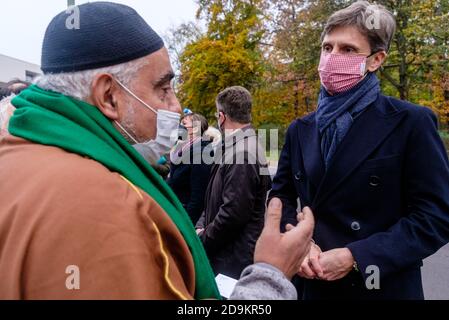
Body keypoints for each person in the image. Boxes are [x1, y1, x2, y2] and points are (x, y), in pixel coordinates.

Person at [0, 2, 314, 300]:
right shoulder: (110, 205)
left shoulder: (17, 152)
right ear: (109, 96)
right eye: (163, 88)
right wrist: (270, 274)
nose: (176, 107)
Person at [270, 0, 449, 300]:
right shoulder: (300, 129)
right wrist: (298, 242)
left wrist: (356, 256)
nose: (332, 57)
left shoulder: (411, 122)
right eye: (327, 48)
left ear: (376, 60)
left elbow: (436, 216)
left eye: (348, 49)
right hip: (311, 283)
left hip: (380, 287)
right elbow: (281, 196)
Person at [196, 86, 272, 279]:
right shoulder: (236, 146)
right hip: (226, 252)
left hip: (233, 260)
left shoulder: (243, 153)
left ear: (221, 117)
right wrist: (201, 224)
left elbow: (233, 214)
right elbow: (214, 196)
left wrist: (203, 239)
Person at [168, 113, 213, 224]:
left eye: (183, 124)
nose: (179, 127)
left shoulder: (202, 153)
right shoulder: (182, 149)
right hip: (175, 211)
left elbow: (198, 199)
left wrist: (185, 225)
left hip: (184, 217)